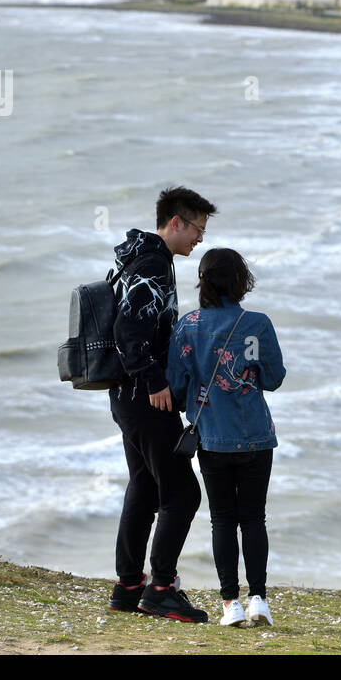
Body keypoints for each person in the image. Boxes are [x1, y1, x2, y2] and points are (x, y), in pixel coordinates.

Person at [106, 186, 216, 623]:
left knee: (145, 486)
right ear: (176, 222)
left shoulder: (139, 256)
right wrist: (153, 381)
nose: (200, 240)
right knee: (183, 491)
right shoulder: (152, 262)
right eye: (197, 229)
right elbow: (128, 330)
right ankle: (161, 590)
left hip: (126, 396)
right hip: (145, 397)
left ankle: (128, 586)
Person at [168, 248, 286, 627]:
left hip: (212, 437)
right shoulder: (259, 324)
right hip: (256, 436)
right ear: (241, 282)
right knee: (254, 518)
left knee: (222, 520)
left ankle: (229, 603)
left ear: (203, 281)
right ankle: (259, 600)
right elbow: (273, 378)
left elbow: (176, 384)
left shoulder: (188, 325)